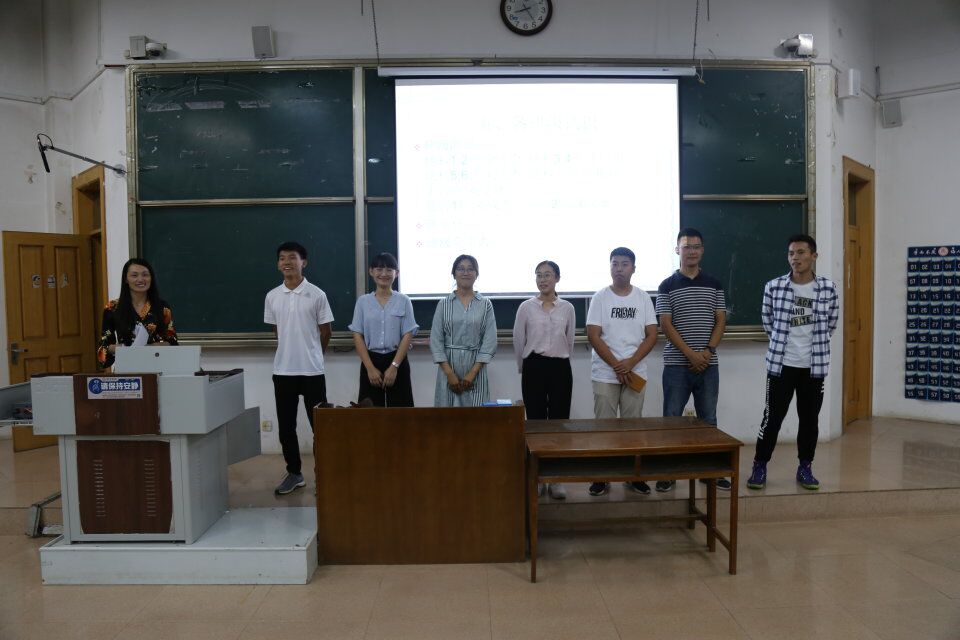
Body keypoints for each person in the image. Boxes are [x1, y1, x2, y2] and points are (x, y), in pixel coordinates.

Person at [747, 234, 839, 491]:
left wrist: (814, 346)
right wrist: (782, 344)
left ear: (813, 256)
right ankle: (760, 465)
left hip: (814, 368)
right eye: (791, 253)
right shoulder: (774, 287)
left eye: (800, 253)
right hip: (781, 366)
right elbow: (768, 321)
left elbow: (831, 324)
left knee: (809, 420)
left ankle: (805, 467)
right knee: (772, 418)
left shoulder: (828, 288)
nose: (795, 258)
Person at [656, 228, 729, 492]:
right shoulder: (666, 285)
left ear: (702, 250)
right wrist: (691, 355)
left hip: (709, 364)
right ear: (677, 250)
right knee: (671, 419)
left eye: (696, 246)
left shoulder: (714, 283)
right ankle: (668, 473)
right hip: (676, 365)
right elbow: (665, 324)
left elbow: (721, 319)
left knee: (709, 419)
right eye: (686, 246)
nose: (691, 251)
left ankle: (709, 472)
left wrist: (707, 352)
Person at [586, 247, 658, 496]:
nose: (619, 268)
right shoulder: (600, 297)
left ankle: (632, 476)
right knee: (604, 427)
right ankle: (602, 476)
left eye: (624, 264)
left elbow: (652, 335)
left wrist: (630, 362)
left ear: (633, 269)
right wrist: (617, 364)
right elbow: (593, 335)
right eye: (614, 264)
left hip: (635, 372)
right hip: (605, 373)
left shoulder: (643, 298)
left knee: (633, 427)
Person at [264, 241, 334, 496]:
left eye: (292, 257)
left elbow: (326, 331)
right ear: (278, 264)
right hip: (283, 371)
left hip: (312, 371)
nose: (287, 262)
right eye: (282, 258)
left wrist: (314, 354)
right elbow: (277, 331)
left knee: (320, 427)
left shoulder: (317, 294)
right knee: (286, 427)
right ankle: (294, 473)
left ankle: (323, 475)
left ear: (303, 262)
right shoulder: (272, 296)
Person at [513, 260, 576, 500]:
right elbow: (519, 340)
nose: (543, 279)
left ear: (557, 278)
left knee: (559, 422)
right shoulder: (526, 307)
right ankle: (537, 477)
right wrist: (524, 367)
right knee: (536, 422)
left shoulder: (567, 307)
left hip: (560, 367)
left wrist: (562, 360)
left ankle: (556, 478)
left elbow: (570, 340)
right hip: (534, 366)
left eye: (547, 275)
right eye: (539, 275)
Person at [349, 252, 418, 407]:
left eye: (389, 270)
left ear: (397, 273)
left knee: (402, 412)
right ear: (371, 271)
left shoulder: (404, 300)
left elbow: (408, 334)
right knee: (369, 413)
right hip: (370, 360)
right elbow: (357, 335)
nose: (384, 274)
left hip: (397, 359)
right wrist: (370, 368)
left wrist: (394, 367)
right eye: (379, 269)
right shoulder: (362, 302)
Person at [430, 254, 497, 407]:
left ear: (476, 274)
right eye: (461, 269)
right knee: (447, 415)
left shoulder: (485, 304)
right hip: (448, 368)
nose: (465, 273)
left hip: (476, 369)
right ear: (454, 274)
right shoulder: (443, 304)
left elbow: (490, 341)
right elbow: (436, 341)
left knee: (476, 415)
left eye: (470, 269)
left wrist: (472, 373)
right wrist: (449, 374)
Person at [97, 258, 177, 368]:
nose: (140, 279)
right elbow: (104, 346)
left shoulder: (162, 307)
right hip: (127, 367)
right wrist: (123, 349)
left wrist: (150, 347)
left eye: (145, 275)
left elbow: (172, 342)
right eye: (134, 275)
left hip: (158, 366)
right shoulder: (112, 308)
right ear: (126, 279)